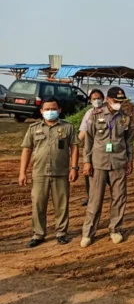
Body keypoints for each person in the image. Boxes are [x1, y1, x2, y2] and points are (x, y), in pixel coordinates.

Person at [19, 97, 79, 247]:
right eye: (47, 109)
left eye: (53, 109)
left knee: (61, 204)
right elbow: (27, 149)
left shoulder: (68, 127)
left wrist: (74, 168)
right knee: (38, 204)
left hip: (61, 172)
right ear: (41, 111)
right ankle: (38, 234)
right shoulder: (33, 128)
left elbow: (74, 148)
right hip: (39, 172)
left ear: (59, 110)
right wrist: (22, 172)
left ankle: (61, 233)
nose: (50, 112)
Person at [81, 87, 134, 248]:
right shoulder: (94, 115)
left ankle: (115, 229)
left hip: (118, 162)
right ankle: (88, 232)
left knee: (119, 197)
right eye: (116, 101)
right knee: (95, 199)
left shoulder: (126, 118)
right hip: (98, 162)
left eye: (121, 101)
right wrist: (86, 161)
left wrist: (130, 160)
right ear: (108, 100)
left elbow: (129, 141)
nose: (119, 104)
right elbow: (88, 140)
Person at [78, 89, 106, 206]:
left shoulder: (107, 112)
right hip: (93, 148)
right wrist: (75, 143)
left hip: (105, 149)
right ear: (90, 100)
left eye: (99, 98)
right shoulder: (89, 113)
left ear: (103, 99)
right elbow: (83, 131)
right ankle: (90, 196)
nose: (97, 101)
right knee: (88, 172)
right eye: (94, 99)